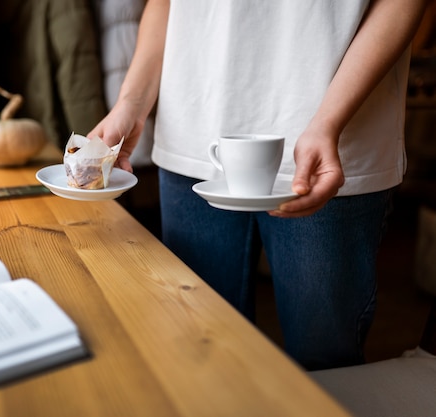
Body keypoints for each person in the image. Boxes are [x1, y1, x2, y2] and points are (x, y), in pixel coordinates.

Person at [88, 0, 429, 371]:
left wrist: (329, 122)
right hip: (194, 136)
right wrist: (130, 104)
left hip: (330, 142)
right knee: (201, 355)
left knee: (326, 367)